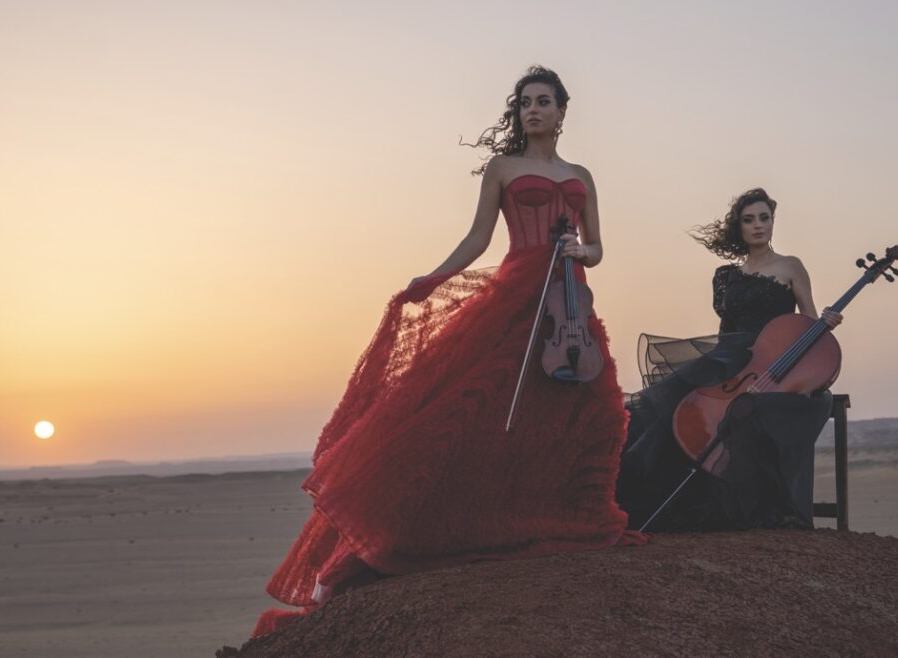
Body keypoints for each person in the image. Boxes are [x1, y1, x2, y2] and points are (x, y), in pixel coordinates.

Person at [252, 66, 642, 637]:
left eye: (544, 101)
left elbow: (598, 246)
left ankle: (552, 518)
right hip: (518, 292)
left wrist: (579, 253)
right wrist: (434, 278)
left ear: (562, 111)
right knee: (472, 411)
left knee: (584, 412)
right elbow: (478, 238)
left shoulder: (582, 175)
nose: (534, 109)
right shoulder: (503, 168)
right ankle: (428, 531)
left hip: (567, 300)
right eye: (525, 102)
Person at [616, 187, 842, 531]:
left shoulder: (791, 266)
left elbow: (807, 324)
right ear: (739, 227)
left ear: (773, 221)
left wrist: (825, 323)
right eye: (749, 220)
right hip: (732, 359)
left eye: (764, 218)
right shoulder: (726, 276)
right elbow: (726, 330)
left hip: (776, 367)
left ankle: (756, 502)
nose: (758, 225)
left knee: (757, 409)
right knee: (675, 404)